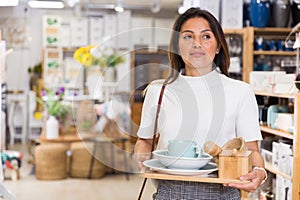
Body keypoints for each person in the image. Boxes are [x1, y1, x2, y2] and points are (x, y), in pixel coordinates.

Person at [134, 7, 267, 200]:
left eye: (206, 37)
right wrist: (142, 159)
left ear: (218, 46)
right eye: (188, 37)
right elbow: (145, 141)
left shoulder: (240, 92)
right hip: (169, 193)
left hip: (223, 193)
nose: (197, 44)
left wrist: (259, 172)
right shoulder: (158, 91)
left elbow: (252, 150)